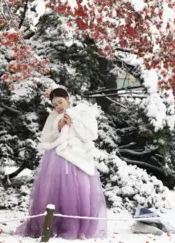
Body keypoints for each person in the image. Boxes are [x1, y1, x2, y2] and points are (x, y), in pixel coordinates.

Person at [16, 87, 107, 239]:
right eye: (55, 104)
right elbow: (45, 138)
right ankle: (52, 225)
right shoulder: (53, 117)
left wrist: (73, 124)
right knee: (55, 191)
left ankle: (79, 227)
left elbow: (91, 135)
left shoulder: (81, 112)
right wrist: (57, 128)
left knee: (81, 191)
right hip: (57, 156)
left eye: (60, 102)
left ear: (67, 98)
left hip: (78, 156)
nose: (58, 106)